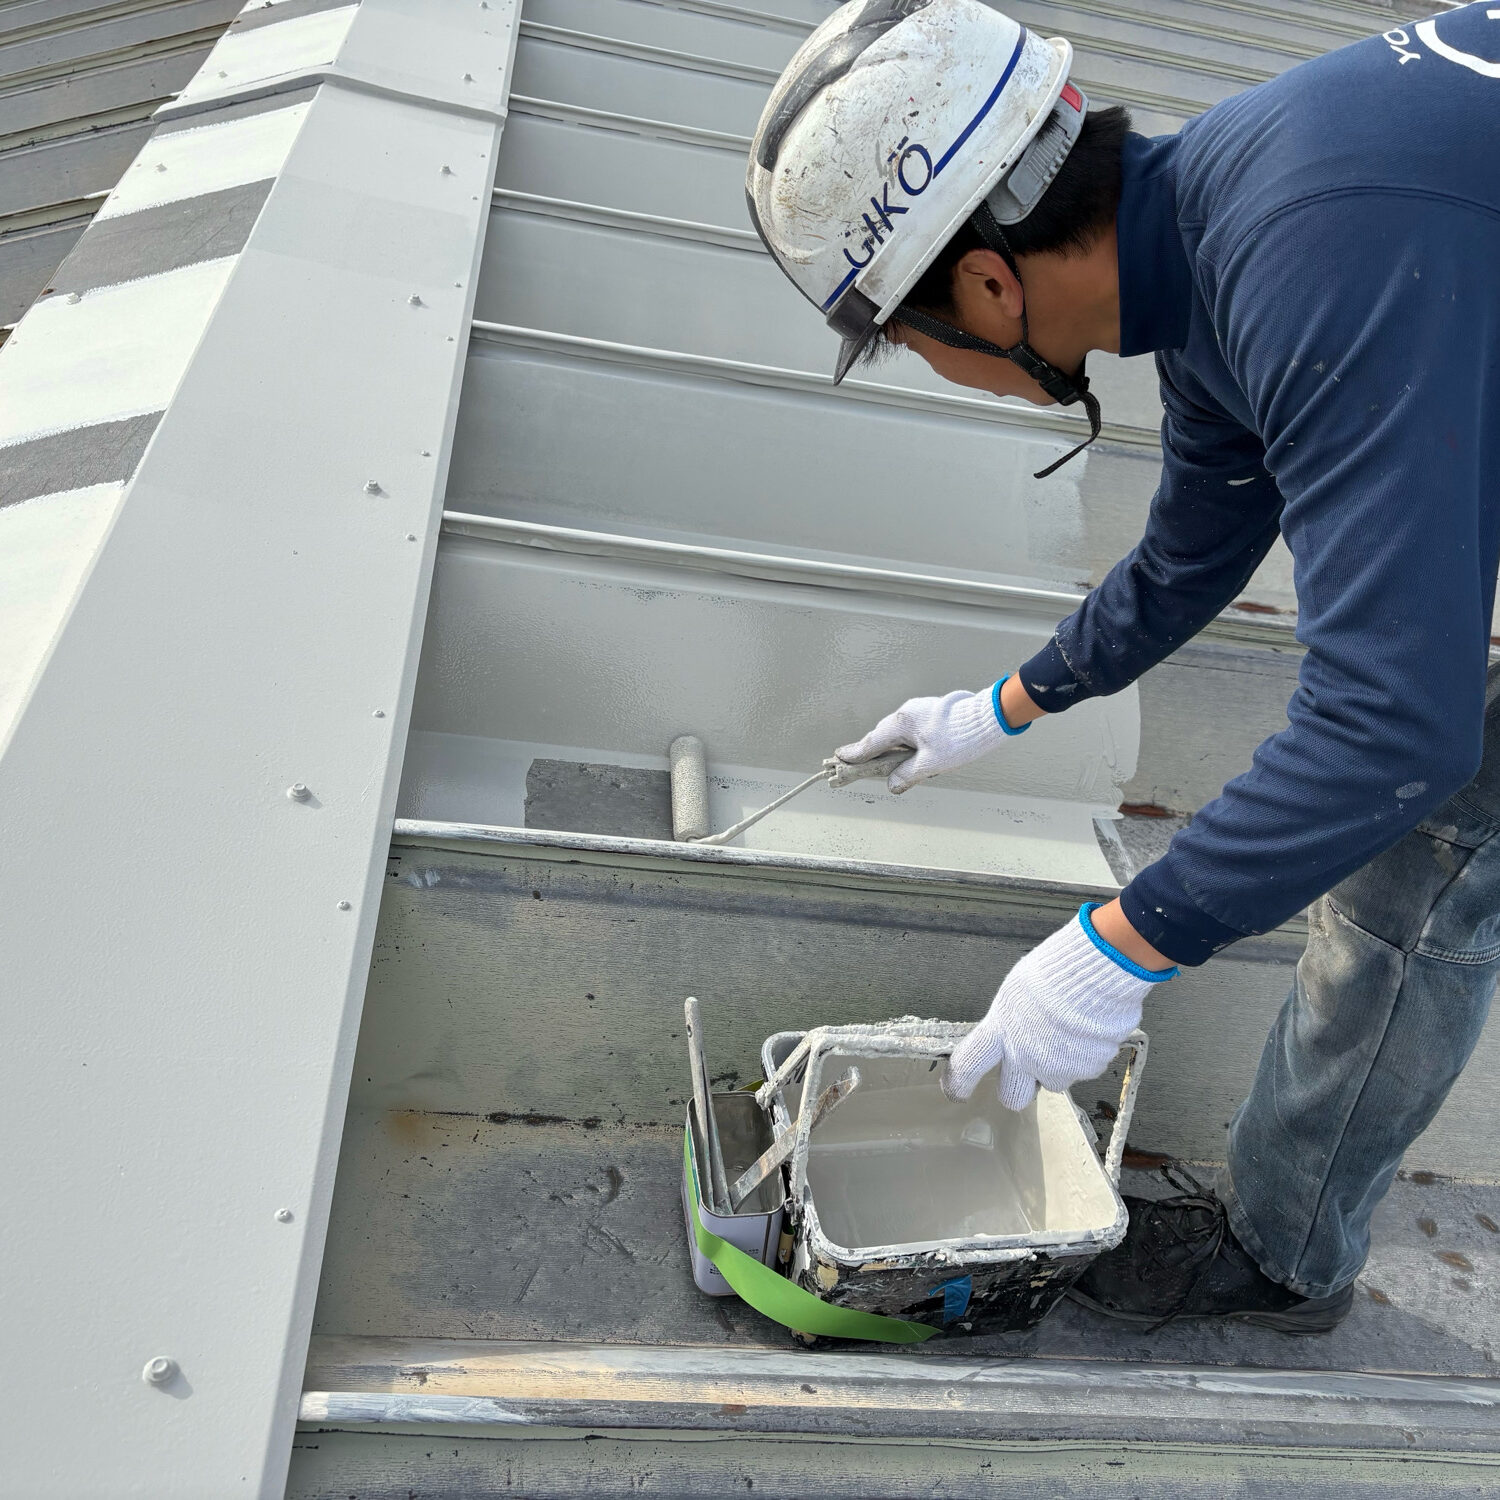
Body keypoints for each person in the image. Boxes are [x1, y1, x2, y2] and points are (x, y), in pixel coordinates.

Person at [746, 0, 1500, 1331]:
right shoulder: (1214, 229)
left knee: (1419, 862)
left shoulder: (1313, 256)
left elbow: (1393, 728)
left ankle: (1282, 1262)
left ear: (989, 286)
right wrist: (998, 708)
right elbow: (1193, 551)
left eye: (911, 341)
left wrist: (1118, 946)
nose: (939, 370)